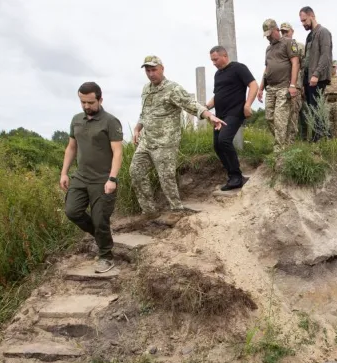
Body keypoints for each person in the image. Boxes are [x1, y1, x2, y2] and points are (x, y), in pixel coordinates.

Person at [132, 56, 225, 214]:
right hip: (147, 141)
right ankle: (149, 211)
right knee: (136, 172)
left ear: (162, 68)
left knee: (166, 177)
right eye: (148, 71)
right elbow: (145, 113)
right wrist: (137, 128)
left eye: (154, 70)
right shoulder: (146, 89)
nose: (151, 74)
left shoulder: (172, 89)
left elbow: (190, 104)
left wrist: (209, 115)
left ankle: (177, 210)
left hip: (165, 142)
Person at [61, 82, 124, 274]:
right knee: (72, 211)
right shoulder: (76, 120)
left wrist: (112, 179)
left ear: (100, 99)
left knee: (100, 220)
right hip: (81, 177)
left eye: (90, 102)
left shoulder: (110, 121)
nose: (86, 106)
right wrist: (64, 172)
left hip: (102, 179)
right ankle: (101, 237)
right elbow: (72, 147)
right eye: (82, 102)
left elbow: (118, 152)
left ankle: (106, 256)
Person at [207, 46, 258, 191]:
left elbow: (253, 85)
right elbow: (217, 96)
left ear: (225, 55)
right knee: (217, 145)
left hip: (235, 112)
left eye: (215, 59)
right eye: (212, 60)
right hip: (220, 115)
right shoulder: (218, 75)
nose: (214, 63)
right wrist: (205, 107)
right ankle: (233, 176)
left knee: (224, 140)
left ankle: (236, 177)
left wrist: (248, 105)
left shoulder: (238, 68)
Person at [257, 19, 299, 152]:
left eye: (270, 33)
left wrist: (292, 85)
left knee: (280, 119)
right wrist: (261, 88)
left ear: (276, 30)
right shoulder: (268, 49)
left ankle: (279, 150)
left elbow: (295, 63)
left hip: (284, 86)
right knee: (269, 117)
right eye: (266, 34)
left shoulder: (288, 42)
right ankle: (284, 143)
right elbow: (267, 69)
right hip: (270, 88)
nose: (268, 36)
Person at [298, 6, 333, 141]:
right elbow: (306, 59)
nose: (303, 24)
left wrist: (316, 74)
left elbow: (325, 56)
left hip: (318, 77)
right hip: (308, 78)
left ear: (312, 15)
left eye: (304, 20)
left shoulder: (323, 32)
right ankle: (326, 137)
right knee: (313, 109)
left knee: (316, 108)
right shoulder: (309, 36)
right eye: (301, 21)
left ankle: (318, 139)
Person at [280, 22, 306, 141]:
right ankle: (282, 142)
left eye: (287, 31)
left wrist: (304, 85)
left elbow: (305, 66)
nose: (285, 34)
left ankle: (291, 142)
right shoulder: (277, 46)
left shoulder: (299, 46)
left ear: (292, 31)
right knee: (281, 115)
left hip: (296, 85)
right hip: (280, 85)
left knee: (294, 114)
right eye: (282, 31)